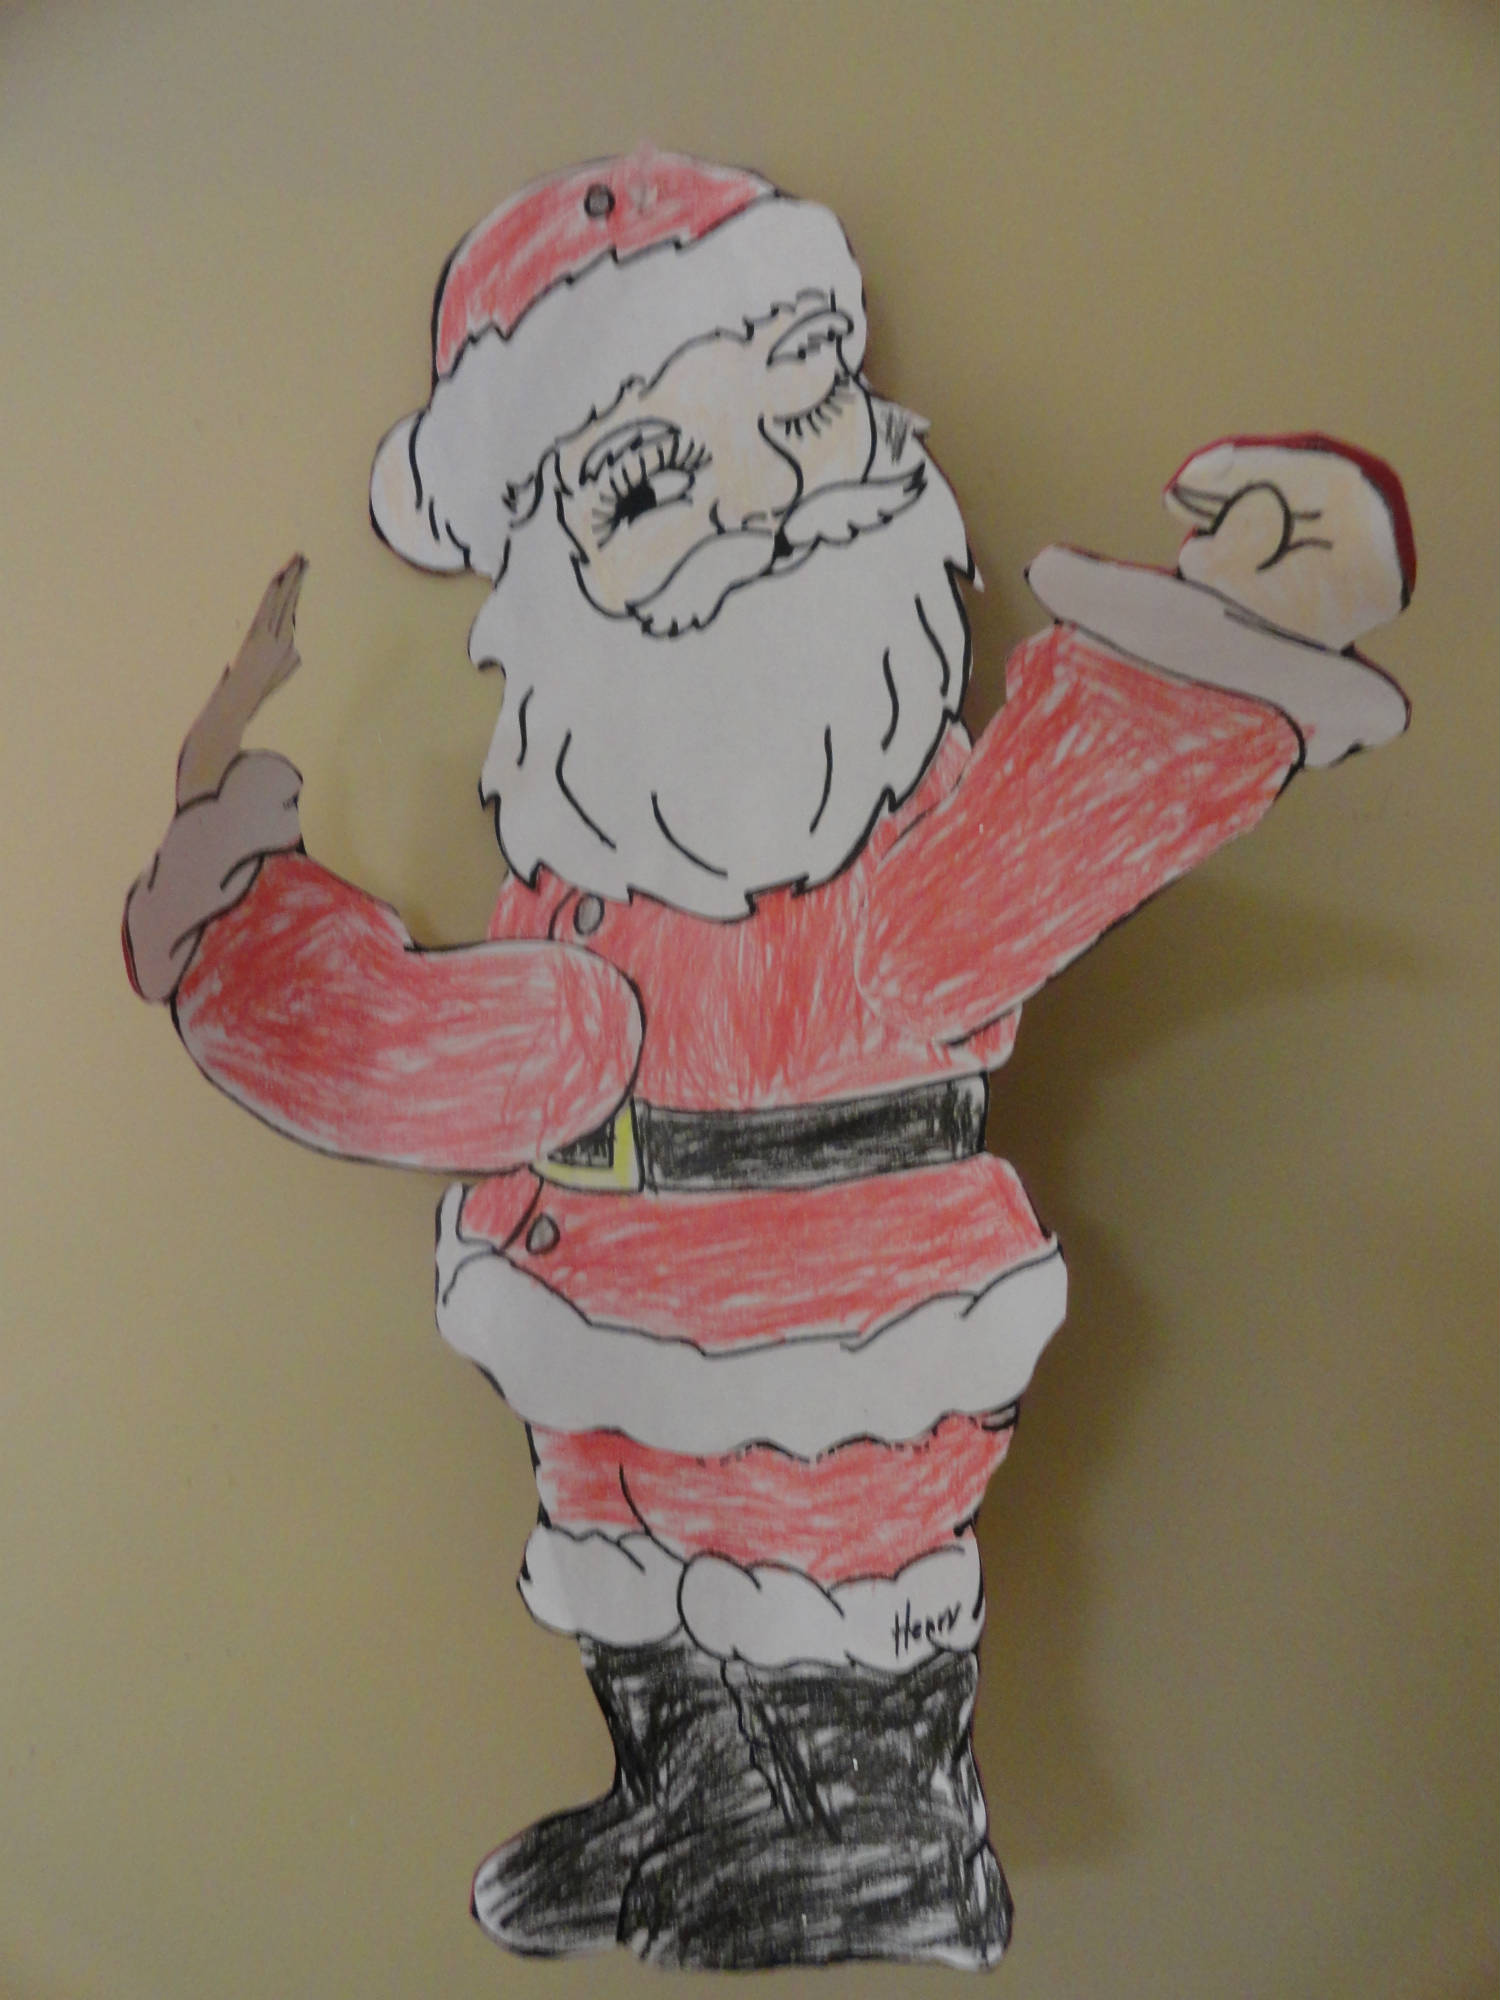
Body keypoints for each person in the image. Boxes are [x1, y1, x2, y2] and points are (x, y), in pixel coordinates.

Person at [123, 146, 1413, 1970]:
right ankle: (684, 1812)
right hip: (593, 1333)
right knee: (640, 1593)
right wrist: (237, 931)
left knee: (826, 1608)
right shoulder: (584, 882)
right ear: (548, 570)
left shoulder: (906, 887)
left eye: (800, 401)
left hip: (841, 1350)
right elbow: (445, 1048)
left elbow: (1079, 806)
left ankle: (880, 1858)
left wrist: (1257, 621)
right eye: (652, 479)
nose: (771, 511)